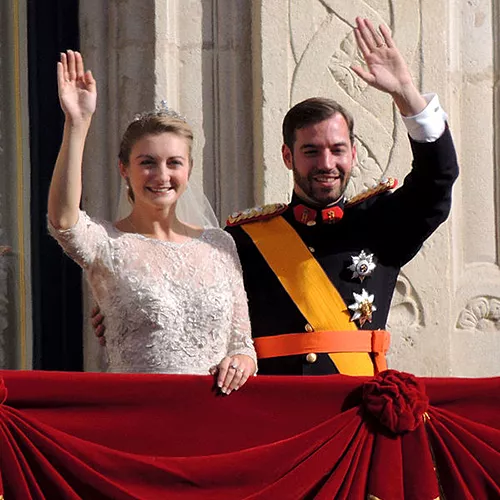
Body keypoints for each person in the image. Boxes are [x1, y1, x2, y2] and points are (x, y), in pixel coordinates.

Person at [94, 17, 459, 377]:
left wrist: (407, 93)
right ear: (288, 156)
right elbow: (188, 295)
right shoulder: (241, 240)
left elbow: (438, 178)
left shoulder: (382, 224)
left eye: (337, 149)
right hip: (275, 414)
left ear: (353, 154)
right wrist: (127, 304)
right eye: (311, 151)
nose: (326, 163)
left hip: (352, 412)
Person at [48, 50, 256, 394]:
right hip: (137, 412)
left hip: (216, 415)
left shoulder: (220, 243)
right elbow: (63, 219)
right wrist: (77, 124)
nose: (161, 175)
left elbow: (242, 344)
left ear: (188, 169)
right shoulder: (105, 243)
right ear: (124, 169)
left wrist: (242, 362)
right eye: (147, 162)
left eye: (174, 162)